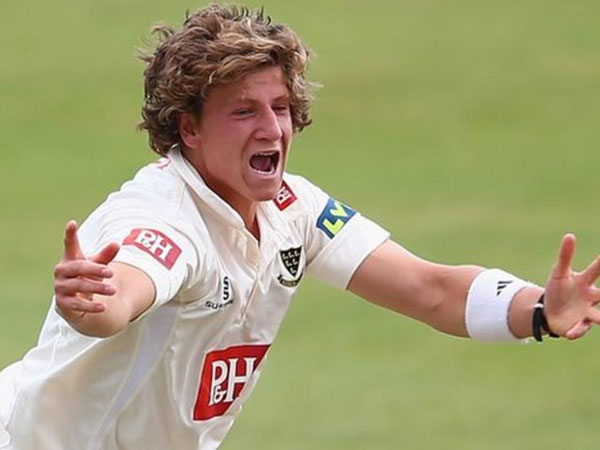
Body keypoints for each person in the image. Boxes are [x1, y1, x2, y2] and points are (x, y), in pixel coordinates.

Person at [1, 4, 599, 450]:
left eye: (280, 107)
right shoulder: (163, 219)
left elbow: (429, 288)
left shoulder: (294, 208)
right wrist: (95, 304)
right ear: (189, 129)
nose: (272, 129)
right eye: (244, 112)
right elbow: (128, 288)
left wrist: (538, 309)